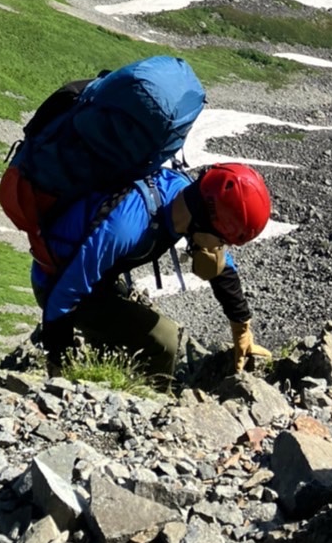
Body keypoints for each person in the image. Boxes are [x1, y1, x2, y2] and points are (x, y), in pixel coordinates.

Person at [35, 161, 272, 384]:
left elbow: (223, 269)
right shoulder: (125, 228)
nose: (221, 248)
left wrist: (242, 329)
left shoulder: (184, 196)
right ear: (204, 222)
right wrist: (59, 369)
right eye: (221, 241)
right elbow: (65, 294)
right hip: (55, 285)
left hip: (97, 279)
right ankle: (154, 402)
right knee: (165, 340)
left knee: (135, 326)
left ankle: (108, 369)